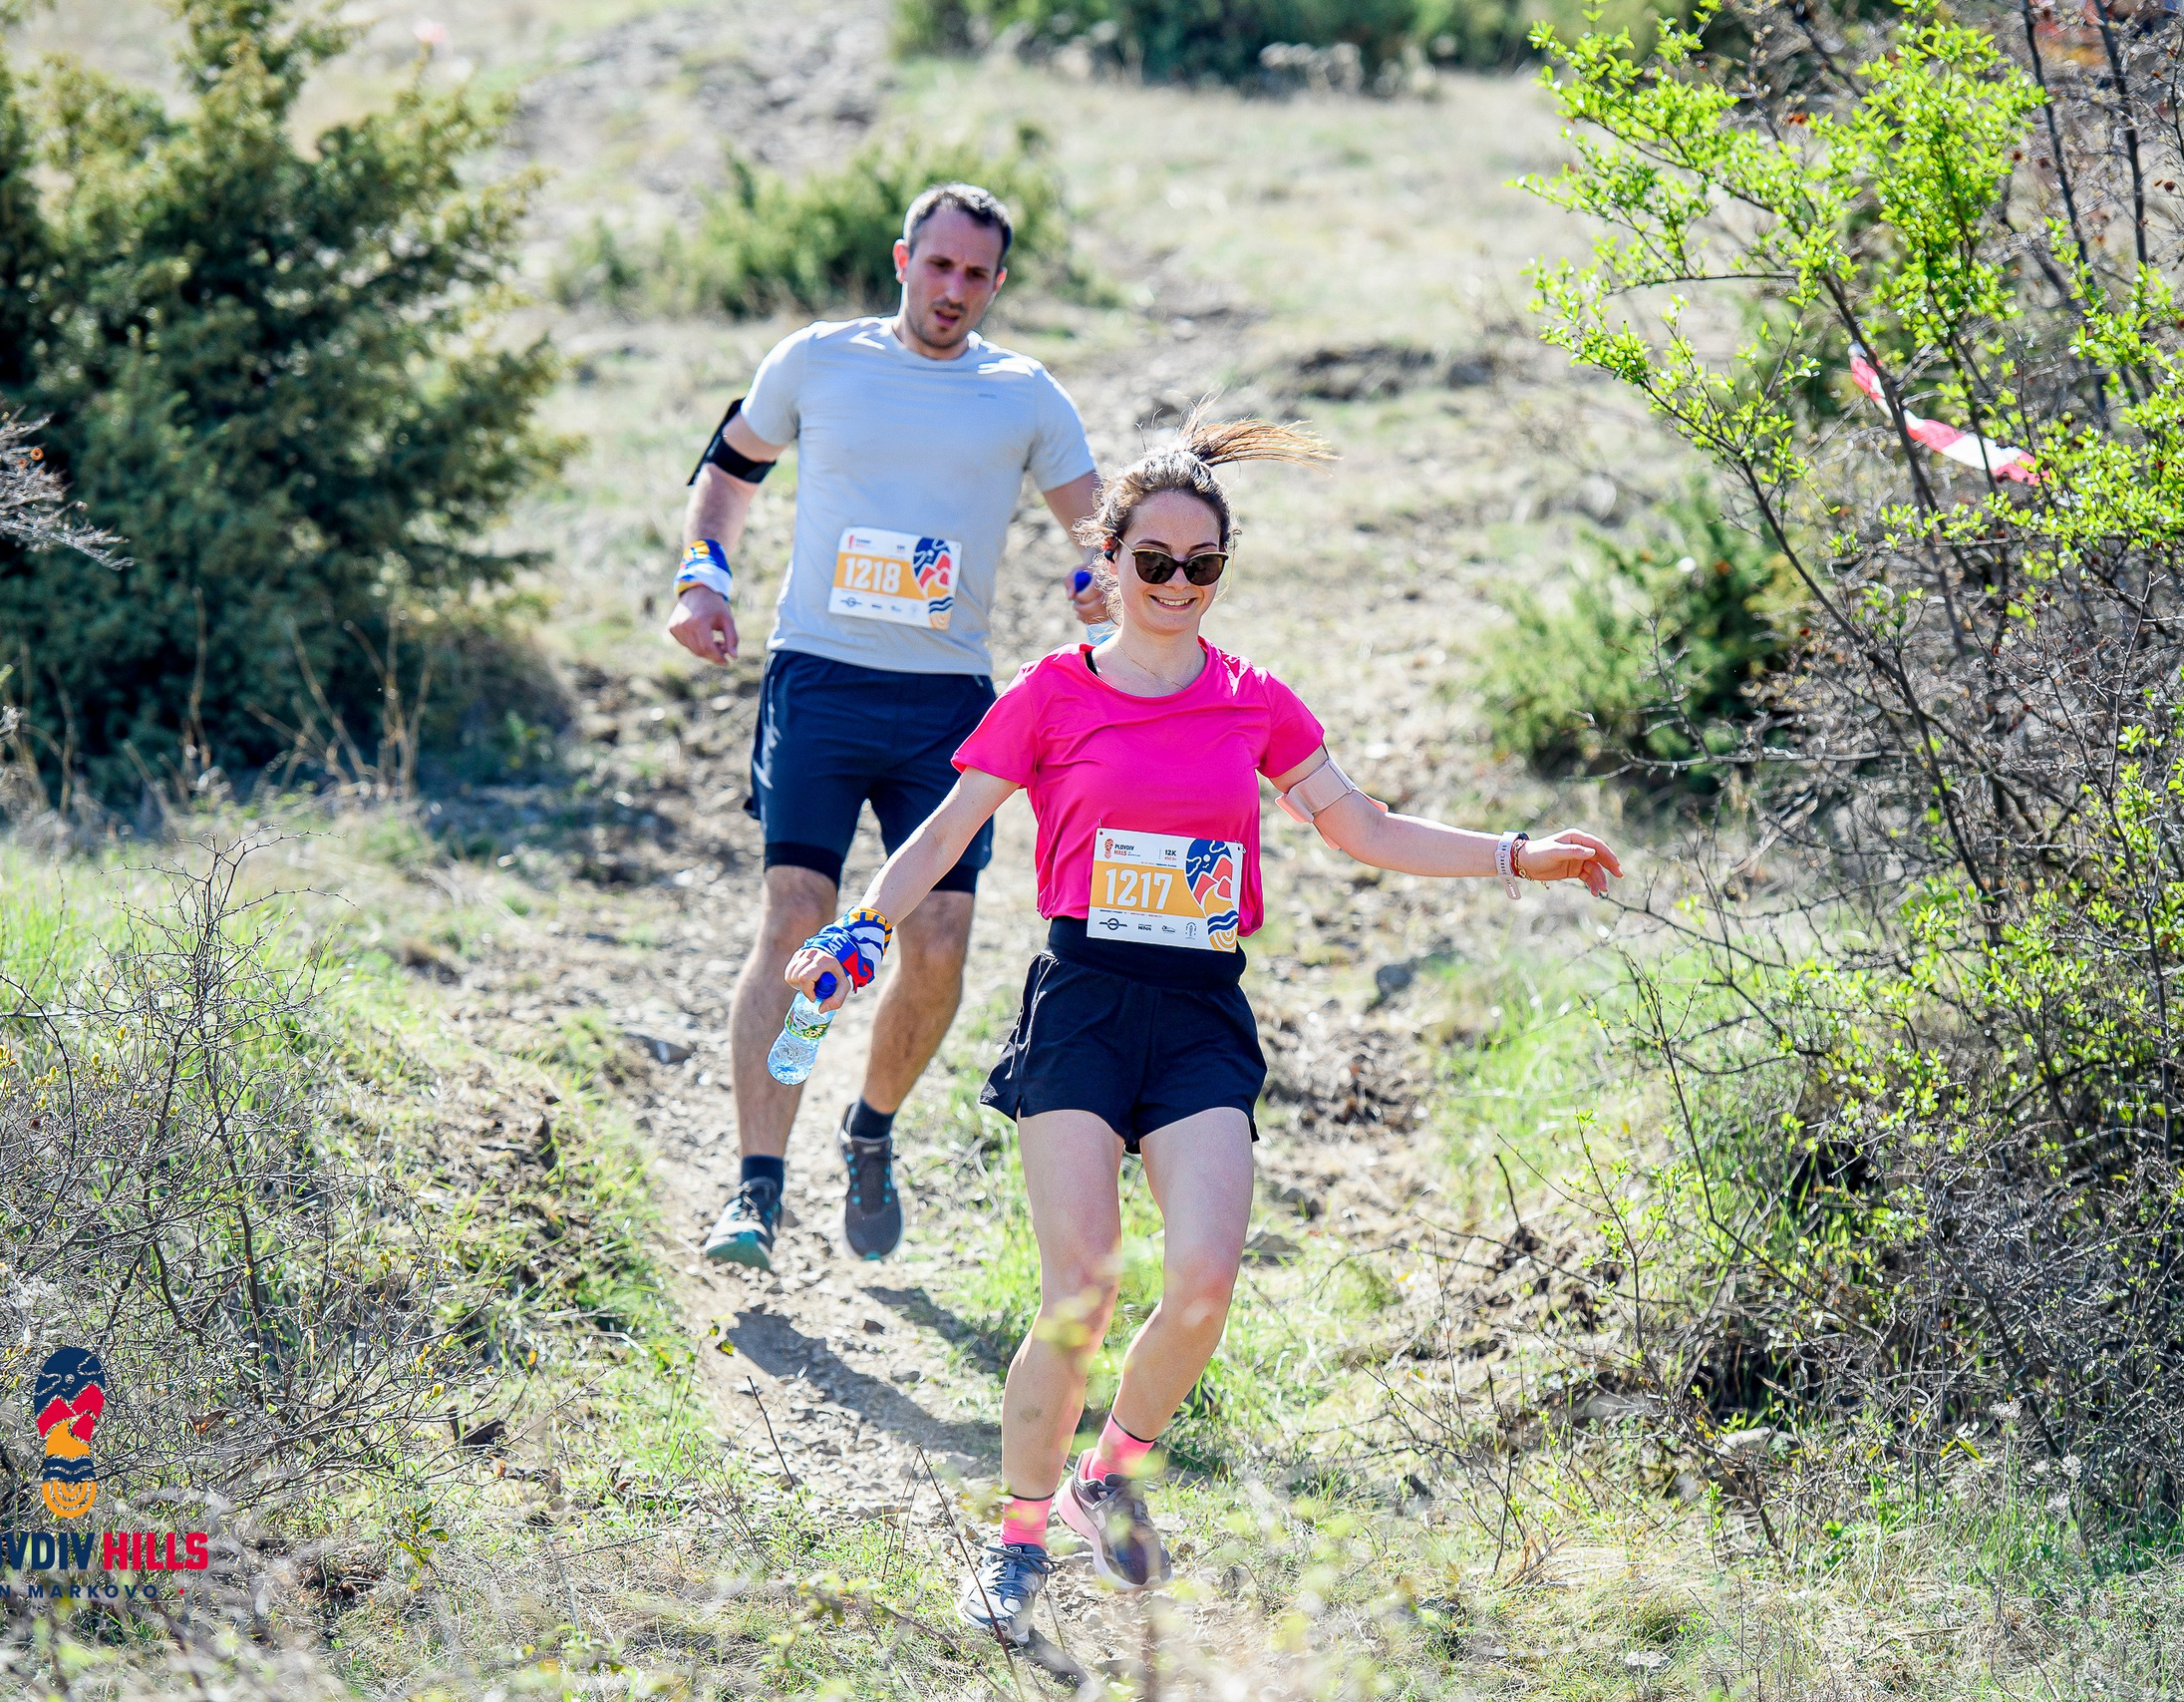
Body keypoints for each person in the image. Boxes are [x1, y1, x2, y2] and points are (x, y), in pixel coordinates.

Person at [781, 407, 1622, 1643]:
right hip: (1083, 1002)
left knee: (1205, 1283)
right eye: (1156, 561)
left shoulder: (1253, 701)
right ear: (1110, 559)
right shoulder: (1051, 695)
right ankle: (1017, 1546)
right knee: (1079, 1290)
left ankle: (1107, 1473)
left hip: (1198, 1012)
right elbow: (950, 828)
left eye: (1203, 565)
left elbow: (1363, 826)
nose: (1178, 586)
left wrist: (1515, 853)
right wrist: (862, 929)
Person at [667, 181, 1110, 1270]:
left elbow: (1098, 531)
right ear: (903, 259)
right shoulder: (817, 359)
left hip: (947, 702)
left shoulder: (1024, 394)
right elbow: (729, 468)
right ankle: (756, 1187)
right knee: (796, 916)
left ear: (997, 284)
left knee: (939, 944)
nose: (953, 289)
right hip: (818, 678)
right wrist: (702, 576)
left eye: (976, 275)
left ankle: (870, 1126)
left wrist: (1099, 581)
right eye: (938, 265)